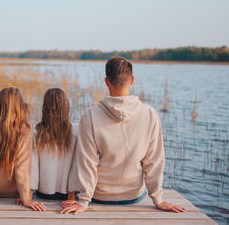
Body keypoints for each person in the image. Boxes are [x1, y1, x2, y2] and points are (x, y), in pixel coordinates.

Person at [61, 56, 186, 214]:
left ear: (106, 81)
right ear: (132, 80)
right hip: (133, 196)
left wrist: (84, 201)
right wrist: (158, 199)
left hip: (99, 196)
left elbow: (87, 162)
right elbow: (154, 160)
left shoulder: (90, 116)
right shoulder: (150, 114)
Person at [29, 88, 77, 201]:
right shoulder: (75, 131)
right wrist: (72, 196)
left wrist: (28, 197)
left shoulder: (37, 132)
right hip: (68, 194)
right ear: (66, 106)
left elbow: (33, 167)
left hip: (44, 193)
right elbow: (77, 166)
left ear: (45, 108)